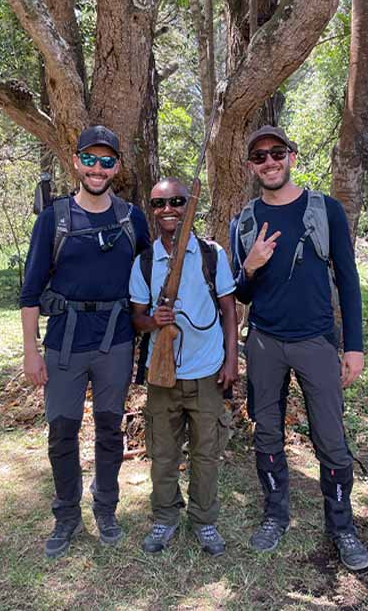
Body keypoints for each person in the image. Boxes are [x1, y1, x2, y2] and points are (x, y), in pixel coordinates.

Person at [229, 125, 368, 570]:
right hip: (266, 343)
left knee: (330, 438)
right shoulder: (245, 220)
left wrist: (354, 347)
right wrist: (249, 267)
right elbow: (240, 294)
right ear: (251, 167)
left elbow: (347, 280)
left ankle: (342, 526)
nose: (269, 162)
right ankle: (275, 516)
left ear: (291, 156)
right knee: (267, 433)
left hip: (316, 342)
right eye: (259, 157)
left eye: (276, 153)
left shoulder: (325, 210)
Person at [19, 126, 151, 559]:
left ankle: (106, 508)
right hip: (64, 342)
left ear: (117, 167)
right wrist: (31, 351)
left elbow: (152, 274)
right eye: (89, 160)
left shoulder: (132, 219)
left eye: (106, 161)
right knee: (62, 430)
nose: (97, 168)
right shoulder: (53, 220)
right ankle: (66, 515)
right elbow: (30, 290)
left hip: (115, 340)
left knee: (111, 429)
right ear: (75, 162)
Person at [129, 179, 238, 556]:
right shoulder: (144, 261)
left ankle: (204, 522)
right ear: (153, 209)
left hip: (207, 371)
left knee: (206, 453)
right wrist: (153, 321)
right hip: (163, 376)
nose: (168, 209)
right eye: (160, 203)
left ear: (188, 204)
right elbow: (136, 318)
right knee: (163, 453)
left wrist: (231, 359)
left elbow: (228, 310)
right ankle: (165, 519)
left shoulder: (212, 254)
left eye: (176, 201)